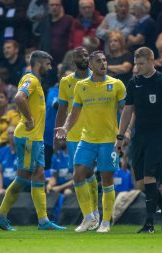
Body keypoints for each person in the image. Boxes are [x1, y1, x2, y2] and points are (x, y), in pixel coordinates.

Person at [0, 50, 66, 231]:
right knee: (23, 178)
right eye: (48, 63)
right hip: (28, 137)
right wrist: (30, 119)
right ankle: (0, 217)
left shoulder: (36, 82)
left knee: (38, 174)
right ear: (39, 63)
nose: (50, 67)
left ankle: (43, 221)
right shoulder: (31, 80)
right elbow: (18, 97)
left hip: (36, 139)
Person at [56, 50, 126, 233]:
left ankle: (105, 222)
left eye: (104, 60)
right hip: (87, 138)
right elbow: (74, 112)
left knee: (107, 179)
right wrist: (65, 128)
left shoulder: (116, 84)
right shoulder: (81, 86)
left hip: (108, 139)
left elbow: (126, 111)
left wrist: (124, 133)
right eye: (99, 61)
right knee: (78, 174)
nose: (103, 64)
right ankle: (88, 217)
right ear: (91, 65)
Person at [115, 47, 162, 233]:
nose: (136, 68)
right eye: (136, 64)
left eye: (141, 64)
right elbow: (127, 111)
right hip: (139, 135)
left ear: (152, 61)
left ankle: (149, 223)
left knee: (149, 177)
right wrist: (120, 136)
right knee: (141, 183)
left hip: (159, 134)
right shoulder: (134, 82)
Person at [54, 46, 99, 231]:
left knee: (85, 172)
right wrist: (57, 134)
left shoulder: (97, 79)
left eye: (86, 55)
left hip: (92, 133)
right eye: (79, 55)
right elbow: (62, 109)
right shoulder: (66, 82)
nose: (83, 57)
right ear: (74, 60)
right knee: (82, 173)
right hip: (73, 134)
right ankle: (91, 215)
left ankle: (92, 214)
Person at [0, 126, 18, 195]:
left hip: (21, 191)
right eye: (10, 133)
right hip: (4, 190)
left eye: (14, 133)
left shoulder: (25, 152)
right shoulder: (3, 151)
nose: (12, 135)